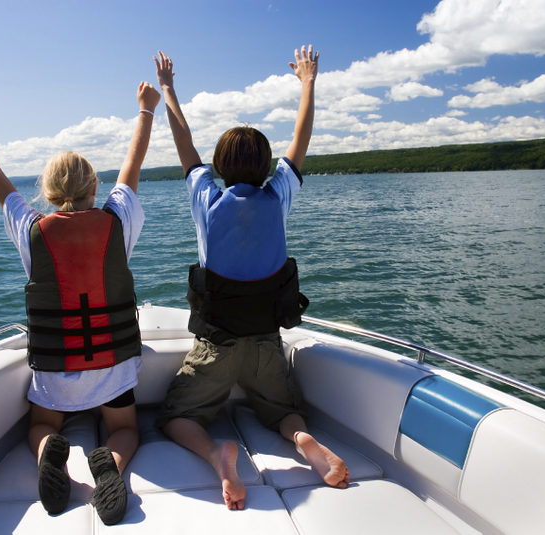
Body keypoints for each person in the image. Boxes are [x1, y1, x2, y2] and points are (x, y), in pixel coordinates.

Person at [0, 81, 160, 525]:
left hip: (55, 370)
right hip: (113, 365)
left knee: (42, 425)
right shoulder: (118, 221)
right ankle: (112, 467)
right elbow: (133, 165)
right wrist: (145, 110)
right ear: (95, 187)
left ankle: (50, 454)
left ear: (45, 192)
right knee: (124, 430)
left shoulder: (30, 230)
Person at [152, 46, 349, 511]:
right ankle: (302, 438)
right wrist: (307, 82)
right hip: (265, 347)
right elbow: (301, 139)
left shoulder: (206, 198)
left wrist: (168, 89)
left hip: (215, 348)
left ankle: (218, 456)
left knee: (172, 419)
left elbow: (184, 143)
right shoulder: (279, 193)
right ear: (266, 167)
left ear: (218, 166)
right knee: (283, 412)